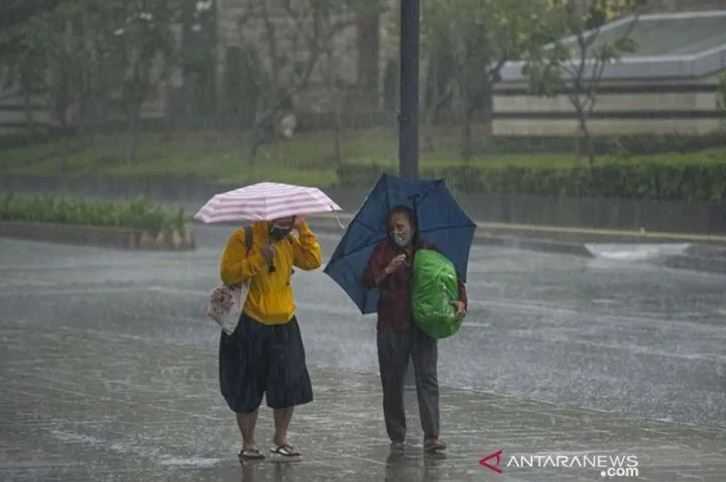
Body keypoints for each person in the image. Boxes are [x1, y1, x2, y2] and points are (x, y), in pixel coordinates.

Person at [363, 206, 467, 453]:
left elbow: (452, 278)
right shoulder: (383, 251)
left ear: (412, 226)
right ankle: (397, 435)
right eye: (392, 228)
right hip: (392, 325)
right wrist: (388, 270)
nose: (396, 232)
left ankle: (432, 436)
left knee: (428, 378)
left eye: (400, 226)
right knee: (392, 381)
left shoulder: (428, 250)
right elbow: (366, 279)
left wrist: (461, 301)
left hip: (423, 325)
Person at [218, 215, 321, 462]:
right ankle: (248, 443)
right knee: (246, 385)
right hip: (249, 322)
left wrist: (303, 229)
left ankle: (281, 439)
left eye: (290, 222)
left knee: (289, 384)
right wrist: (257, 260)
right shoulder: (243, 238)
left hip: (284, 322)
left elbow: (313, 260)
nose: (284, 227)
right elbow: (228, 274)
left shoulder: (289, 241)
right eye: (281, 222)